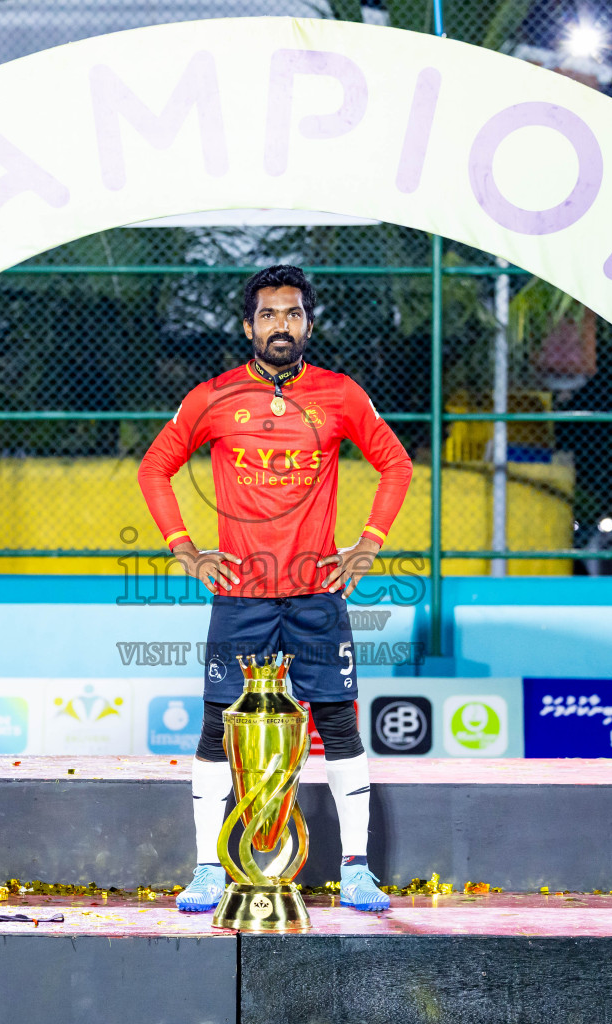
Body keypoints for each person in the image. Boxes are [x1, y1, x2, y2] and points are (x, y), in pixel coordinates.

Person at [138, 265, 413, 914]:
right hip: (242, 595)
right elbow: (155, 467)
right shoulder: (213, 396)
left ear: (309, 325)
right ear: (248, 327)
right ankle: (208, 868)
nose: (280, 325)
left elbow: (396, 463)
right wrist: (183, 546)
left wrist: (370, 541)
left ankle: (355, 870)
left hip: (318, 593)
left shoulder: (342, 395)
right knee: (216, 727)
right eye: (267, 315)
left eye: (291, 314)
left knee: (339, 724)